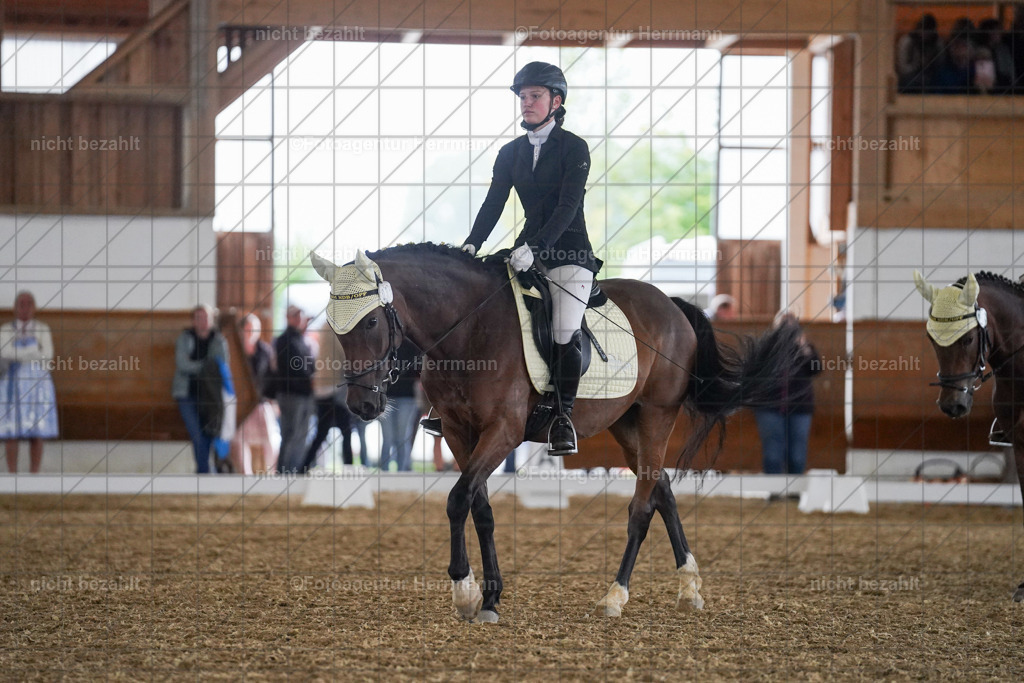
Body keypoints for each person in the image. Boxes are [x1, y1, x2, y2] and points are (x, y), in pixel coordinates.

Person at [459, 61, 600, 456]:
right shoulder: (511, 152)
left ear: (556, 101)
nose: (526, 103)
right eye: (523, 97)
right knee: (484, 308)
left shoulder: (575, 148)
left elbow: (568, 206)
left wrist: (537, 247)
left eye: (534, 96)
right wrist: (471, 243)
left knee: (562, 329)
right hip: (525, 250)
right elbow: (494, 203)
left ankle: (563, 417)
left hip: (569, 251)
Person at [754, 311, 821, 475]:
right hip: (769, 407)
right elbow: (754, 372)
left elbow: (816, 369)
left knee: (797, 452)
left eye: (791, 326)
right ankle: (774, 489)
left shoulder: (805, 347)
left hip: (800, 407)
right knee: (773, 451)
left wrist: (803, 346)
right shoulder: (765, 347)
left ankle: (794, 489)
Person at [1, 291, 58, 473]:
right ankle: (12, 475)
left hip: (37, 386)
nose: (25, 308)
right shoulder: (5, 330)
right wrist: (33, 352)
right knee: (12, 431)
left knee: (37, 431)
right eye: (21, 304)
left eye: (28, 304)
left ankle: (34, 475)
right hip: (12, 385)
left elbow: (47, 355)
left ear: (34, 308)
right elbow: (5, 353)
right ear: (15, 307)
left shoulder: (42, 329)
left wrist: (21, 354)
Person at [172, 304, 229, 474]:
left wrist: (196, 365)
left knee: (209, 434)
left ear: (212, 320)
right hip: (187, 394)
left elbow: (221, 366)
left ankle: (204, 472)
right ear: (193, 321)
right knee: (197, 434)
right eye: (198, 318)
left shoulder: (218, 340)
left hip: (211, 397)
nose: (202, 322)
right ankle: (204, 471)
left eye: (206, 318)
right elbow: (182, 364)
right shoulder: (185, 338)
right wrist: (205, 366)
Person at [301, 320, 355, 472]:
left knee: (322, 432)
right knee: (345, 431)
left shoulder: (326, 326)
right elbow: (345, 355)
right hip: (333, 389)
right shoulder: (338, 327)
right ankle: (349, 468)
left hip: (323, 387)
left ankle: (303, 468)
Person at [230, 314, 279, 474]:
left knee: (271, 439)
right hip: (241, 405)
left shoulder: (265, 350)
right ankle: (245, 475)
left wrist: (273, 400)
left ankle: (272, 473)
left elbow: (271, 377)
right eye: (248, 329)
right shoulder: (234, 353)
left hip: (261, 403)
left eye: (254, 329)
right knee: (239, 439)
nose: (251, 332)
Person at [274, 305, 316, 473]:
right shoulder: (285, 340)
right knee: (291, 435)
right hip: (291, 395)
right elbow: (295, 368)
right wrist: (310, 379)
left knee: (301, 435)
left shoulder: (300, 339)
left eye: (301, 316)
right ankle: (284, 472)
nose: (299, 319)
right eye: (296, 316)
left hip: (304, 394)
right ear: (288, 317)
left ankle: (295, 470)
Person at [378, 342, 421, 472]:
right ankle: (384, 474)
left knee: (402, 437)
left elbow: (419, 369)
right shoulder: (385, 344)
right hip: (387, 397)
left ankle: (402, 473)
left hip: (407, 397)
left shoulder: (412, 345)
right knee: (388, 438)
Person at [896, 14, 942, 93]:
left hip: (930, 77)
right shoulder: (907, 41)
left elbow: (940, 64)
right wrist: (917, 64)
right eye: (923, 29)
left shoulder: (937, 43)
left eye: (928, 31)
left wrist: (929, 64)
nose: (925, 34)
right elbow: (902, 68)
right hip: (909, 77)